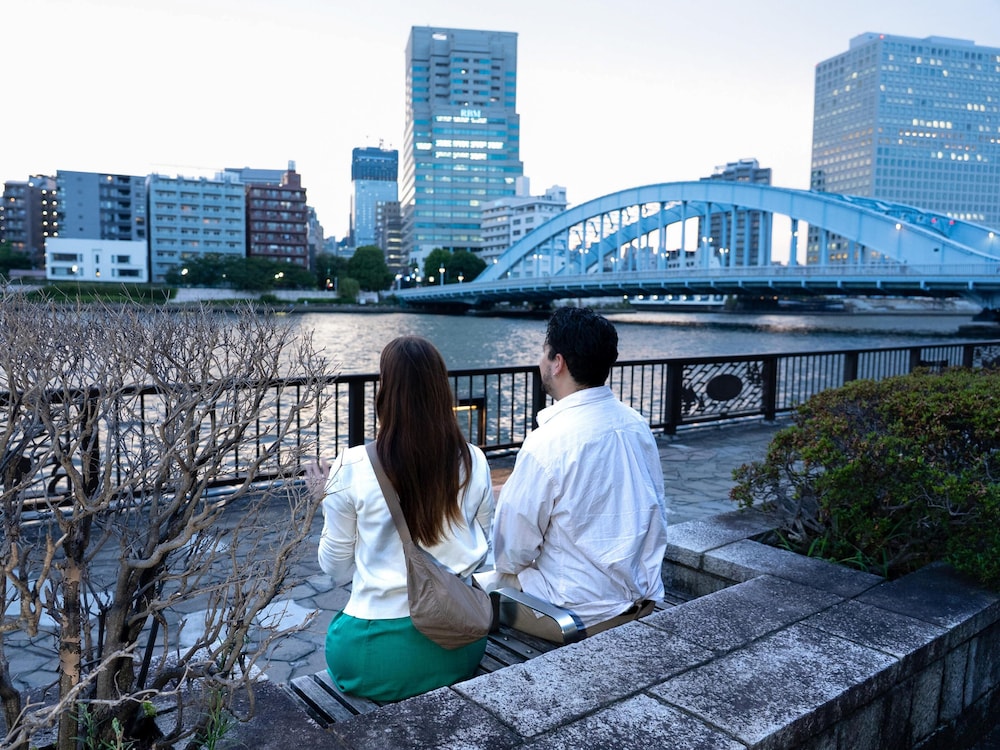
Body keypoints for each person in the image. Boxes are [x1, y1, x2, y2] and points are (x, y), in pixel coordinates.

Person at [308, 335, 494, 701]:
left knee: (339, 639)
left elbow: (337, 570)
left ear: (385, 393)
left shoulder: (353, 465)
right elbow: (483, 547)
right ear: (442, 391)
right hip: (459, 641)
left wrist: (326, 501)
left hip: (373, 656)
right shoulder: (475, 460)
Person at [489, 307, 668, 642]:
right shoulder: (636, 424)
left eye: (543, 352)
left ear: (558, 363)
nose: (540, 361)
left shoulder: (549, 441)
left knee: (478, 584)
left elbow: (511, 551)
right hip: (641, 601)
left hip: (576, 615)